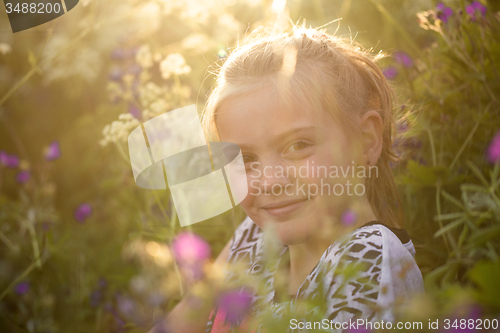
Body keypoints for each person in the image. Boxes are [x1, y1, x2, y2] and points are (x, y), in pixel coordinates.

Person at [149, 25, 424, 333]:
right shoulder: (256, 236)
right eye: (246, 159)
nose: (269, 182)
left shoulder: (369, 259)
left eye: (298, 145)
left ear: (366, 140)